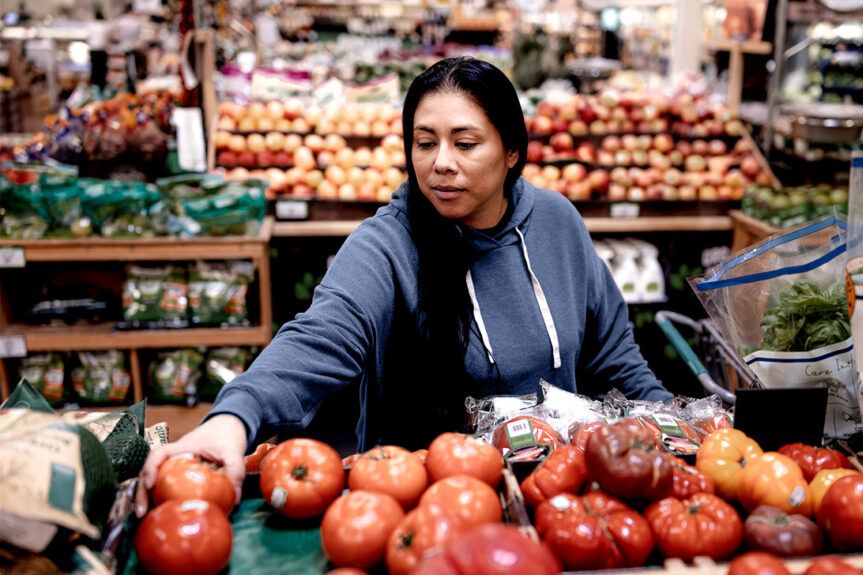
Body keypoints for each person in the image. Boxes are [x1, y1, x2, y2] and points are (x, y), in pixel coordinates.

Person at [137, 56, 671, 510]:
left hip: (561, 496)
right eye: (424, 143)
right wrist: (233, 418)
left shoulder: (556, 222)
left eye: (465, 143)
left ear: (512, 151)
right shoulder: (387, 244)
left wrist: (675, 432)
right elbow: (321, 336)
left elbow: (616, 356)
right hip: (429, 504)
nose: (441, 164)